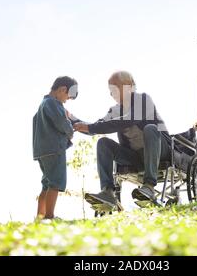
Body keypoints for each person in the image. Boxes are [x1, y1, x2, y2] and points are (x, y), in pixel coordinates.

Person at [73, 71, 170, 209]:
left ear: (128, 85)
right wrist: (73, 122)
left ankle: (149, 186)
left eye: (114, 88)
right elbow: (96, 126)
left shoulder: (143, 99)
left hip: (160, 150)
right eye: (110, 90)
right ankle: (108, 192)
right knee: (103, 143)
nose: (111, 94)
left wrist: (89, 127)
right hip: (135, 157)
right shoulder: (114, 110)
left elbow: (129, 119)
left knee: (150, 128)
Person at [32, 76, 78, 220]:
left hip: (42, 151)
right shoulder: (53, 103)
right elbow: (62, 122)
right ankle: (49, 216)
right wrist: (70, 131)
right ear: (62, 89)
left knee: (46, 183)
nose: (65, 101)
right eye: (67, 97)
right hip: (54, 149)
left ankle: (40, 216)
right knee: (56, 183)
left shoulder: (43, 104)